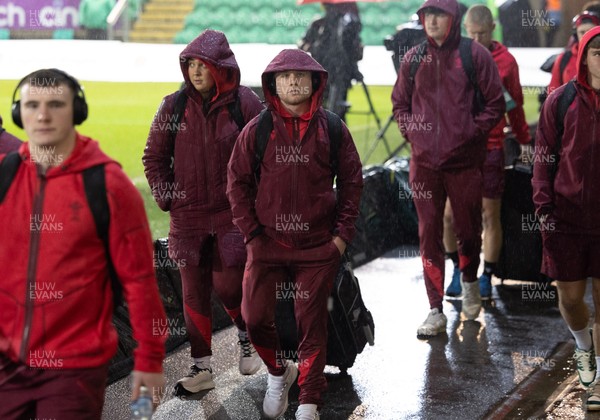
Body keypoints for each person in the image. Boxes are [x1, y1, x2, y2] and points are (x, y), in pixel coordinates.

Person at [0, 68, 167, 418]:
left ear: (76, 111)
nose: (42, 115)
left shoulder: (109, 186)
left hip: (73, 368)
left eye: (55, 104)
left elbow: (140, 282)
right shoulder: (5, 175)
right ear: (18, 114)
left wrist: (150, 360)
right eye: (32, 105)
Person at [227, 49, 363, 420]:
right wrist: (253, 236)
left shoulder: (333, 128)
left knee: (311, 322)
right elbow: (236, 184)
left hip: (318, 247)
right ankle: (278, 373)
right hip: (267, 245)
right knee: (253, 318)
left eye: (301, 76)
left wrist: (340, 237)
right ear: (273, 84)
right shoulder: (257, 130)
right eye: (284, 76)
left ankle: (310, 399)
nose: (293, 82)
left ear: (314, 82)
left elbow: (352, 183)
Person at [143, 29, 264, 394]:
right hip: (188, 216)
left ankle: (246, 336)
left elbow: (267, 156)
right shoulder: (172, 105)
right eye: (191, 64)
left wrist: (254, 202)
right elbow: (154, 157)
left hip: (232, 214)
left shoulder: (246, 103)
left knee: (229, 285)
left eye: (204, 65)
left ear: (221, 67)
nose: (196, 72)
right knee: (192, 293)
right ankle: (201, 368)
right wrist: (168, 198)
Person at [392, 0, 505, 337]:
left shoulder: (474, 55)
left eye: (440, 15)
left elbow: (495, 103)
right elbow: (400, 103)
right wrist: (412, 132)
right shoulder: (413, 59)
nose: (433, 21)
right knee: (428, 234)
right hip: (424, 164)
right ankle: (434, 308)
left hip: (464, 163)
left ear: (453, 19)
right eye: (428, 15)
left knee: (469, 230)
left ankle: (470, 281)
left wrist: (469, 133)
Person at [443, 4, 532, 299]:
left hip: (492, 148)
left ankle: (487, 276)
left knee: (488, 214)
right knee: (449, 216)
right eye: (473, 33)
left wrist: (523, 140)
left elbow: (515, 104)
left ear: (493, 28)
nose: (478, 38)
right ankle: (458, 269)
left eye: (482, 33)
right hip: (459, 149)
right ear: (465, 30)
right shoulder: (454, 55)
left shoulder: (506, 61)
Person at [533, 25, 600, 412]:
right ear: (584, 55)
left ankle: (597, 382)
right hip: (566, 218)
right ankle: (583, 346)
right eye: (597, 51)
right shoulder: (560, 100)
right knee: (571, 298)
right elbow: (543, 158)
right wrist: (543, 209)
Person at [298, 2, 363, 121]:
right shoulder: (317, 24)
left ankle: (338, 133)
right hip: (320, 72)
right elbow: (302, 43)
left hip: (341, 74)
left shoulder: (347, 26)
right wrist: (310, 47)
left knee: (338, 110)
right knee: (318, 107)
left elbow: (355, 50)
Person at [547, 3, 600, 96]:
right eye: (582, 32)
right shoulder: (563, 59)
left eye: (590, 31)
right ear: (575, 34)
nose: (586, 35)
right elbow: (553, 94)